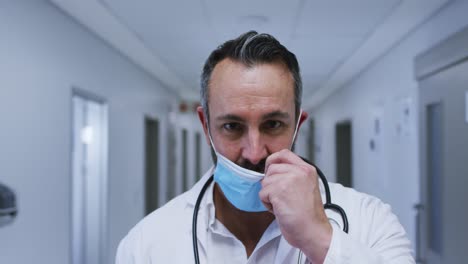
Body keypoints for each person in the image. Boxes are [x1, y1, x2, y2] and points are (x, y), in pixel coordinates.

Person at [116, 31, 414, 263]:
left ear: (298, 124)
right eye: (232, 127)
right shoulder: (145, 246)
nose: (255, 152)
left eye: (273, 124)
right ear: (206, 126)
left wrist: (320, 239)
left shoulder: (371, 222)